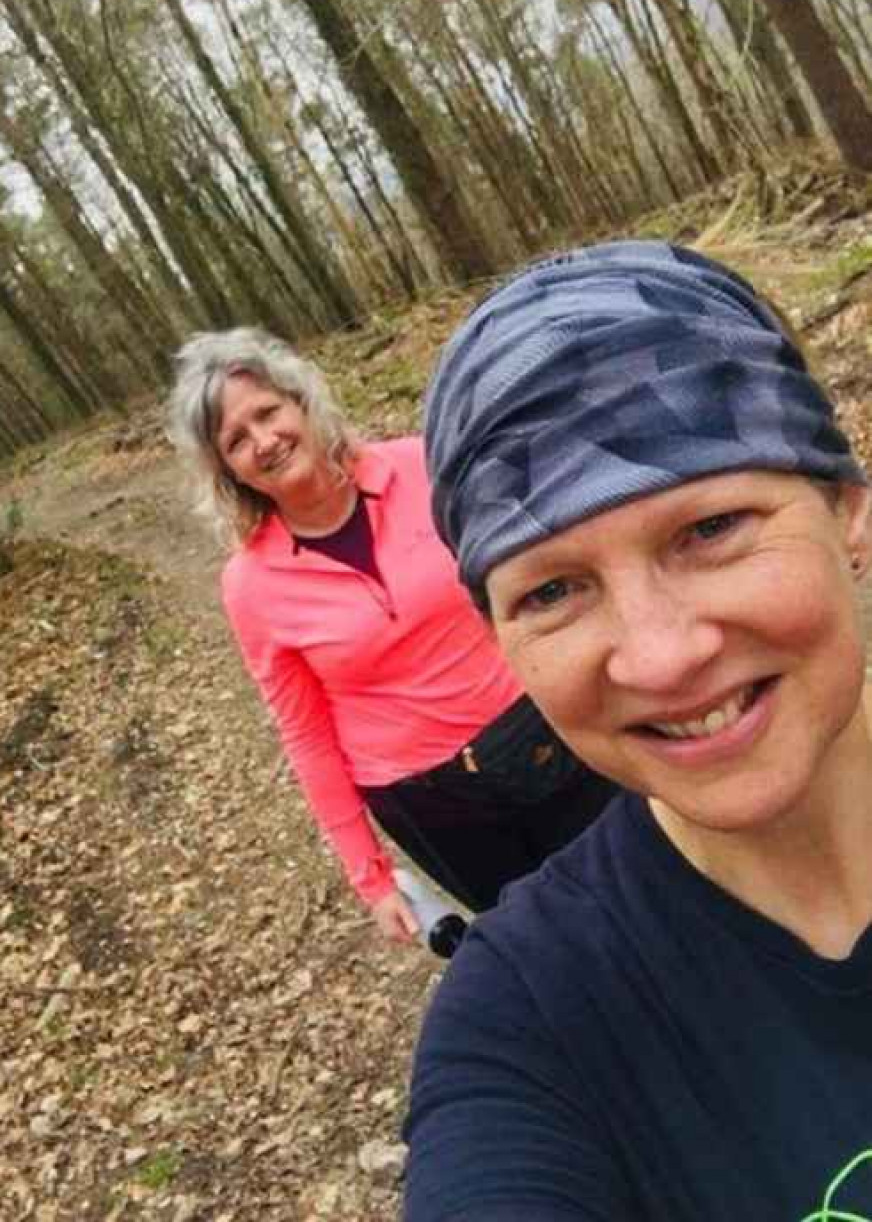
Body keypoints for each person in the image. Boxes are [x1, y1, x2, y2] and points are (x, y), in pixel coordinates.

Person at [404, 240, 872, 1220]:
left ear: (848, 511)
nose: (657, 658)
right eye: (555, 590)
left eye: (710, 529)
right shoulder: (528, 1024)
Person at [168, 328, 614, 944]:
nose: (264, 441)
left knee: (650, 878)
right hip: (429, 801)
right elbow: (306, 733)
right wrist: (371, 879)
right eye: (237, 441)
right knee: (556, 942)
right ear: (228, 471)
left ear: (301, 401)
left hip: (542, 730)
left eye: (267, 413)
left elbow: (534, 572)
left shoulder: (422, 465)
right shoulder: (251, 584)